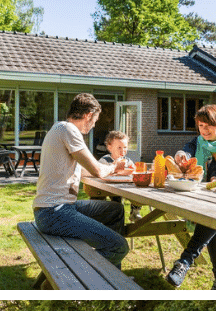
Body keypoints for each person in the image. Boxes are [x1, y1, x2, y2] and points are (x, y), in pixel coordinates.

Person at [33, 94, 131, 267]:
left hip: (55, 208)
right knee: (120, 246)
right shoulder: (68, 130)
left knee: (115, 210)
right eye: (95, 120)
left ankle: (111, 272)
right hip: (54, 212)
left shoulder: (59, 129)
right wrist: (114, 167)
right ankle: (86, 277)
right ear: (88, 115)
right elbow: (98, 170)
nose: (94, 125)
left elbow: (84, 171)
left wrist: (111, 172)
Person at [167, 104, 216, 290]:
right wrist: (181, 155)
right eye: (201, 126)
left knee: (213, 220)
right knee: (214, 227)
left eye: (208, 125)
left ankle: (185, 261)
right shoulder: (197, 142)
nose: (204, 130)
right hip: (205, 200)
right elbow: (185, 151)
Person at [96, 130, 142, 221]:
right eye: (119, 147)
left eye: (125, 147)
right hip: (111, 187)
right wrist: (113, 168)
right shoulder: (105, 160)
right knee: (116, 200)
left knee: (139, 192)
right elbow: (100, 172)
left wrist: (133, 170)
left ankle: (135, 212)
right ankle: (115, 216)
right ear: (110, 148)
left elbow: (133, 171)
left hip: (126, 185)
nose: (123, 150)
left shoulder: (127, 160)